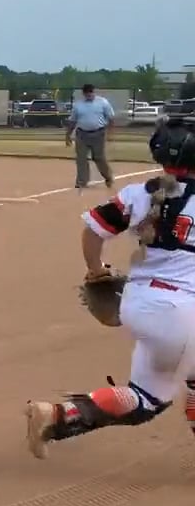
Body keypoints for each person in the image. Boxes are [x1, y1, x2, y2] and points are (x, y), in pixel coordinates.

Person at [26, 118, 195, 458]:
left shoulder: (139, 194)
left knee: (145, 398)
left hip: (140, 303)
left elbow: (93, 230)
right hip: (181, 313)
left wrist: (96, 270)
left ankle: (56, 415)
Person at [66, 83, 117, 190]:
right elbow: (73, 121)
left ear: (94, 92)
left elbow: (111, 118)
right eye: (87, 93)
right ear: (83, 94)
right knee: (81, 158)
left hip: (98, 134)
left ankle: (108, 177)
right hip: (82, 134)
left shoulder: (102, 102)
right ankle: (82, 181)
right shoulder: (78, 105)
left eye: (91, 92)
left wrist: (110, 134)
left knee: (99, 157)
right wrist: (68, 135)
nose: (89, 95)